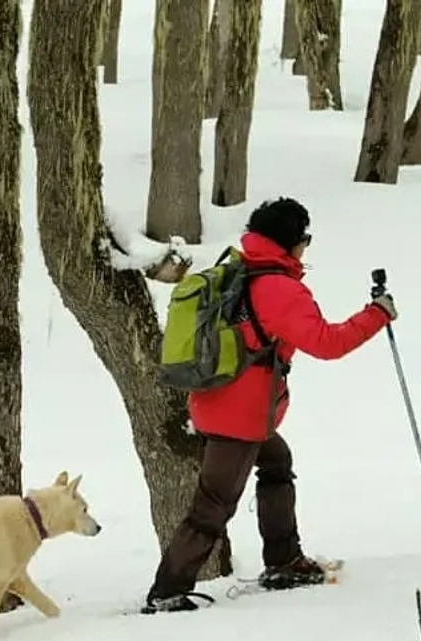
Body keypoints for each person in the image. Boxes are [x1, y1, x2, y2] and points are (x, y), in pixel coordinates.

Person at [142, 197, 397, 614]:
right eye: (305, 239)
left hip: (219, 403)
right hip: (238, 416)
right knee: (213, 506)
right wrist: (377, 314)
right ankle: (167, 592)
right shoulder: (278, 288)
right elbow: (327, 344)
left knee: (276, 461)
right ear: (290, 242)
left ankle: (283, 561)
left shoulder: (241, 268)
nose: (306, 248)